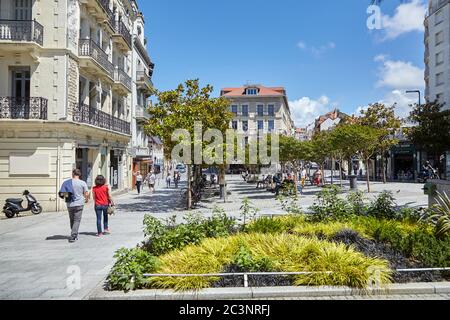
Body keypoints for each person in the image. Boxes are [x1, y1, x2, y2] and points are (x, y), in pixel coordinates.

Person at [60, 169, 89, 243]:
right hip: (79, 203)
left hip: (70, 204)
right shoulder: (82, 183)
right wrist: (86, 199)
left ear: (73, 174)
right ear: (79, 174)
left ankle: (73, 232)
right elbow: (86, 193)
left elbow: (62, 194)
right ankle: (73, 235)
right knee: (77, 220)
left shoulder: (66, 183)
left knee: (72, 219)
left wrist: (69, 195)